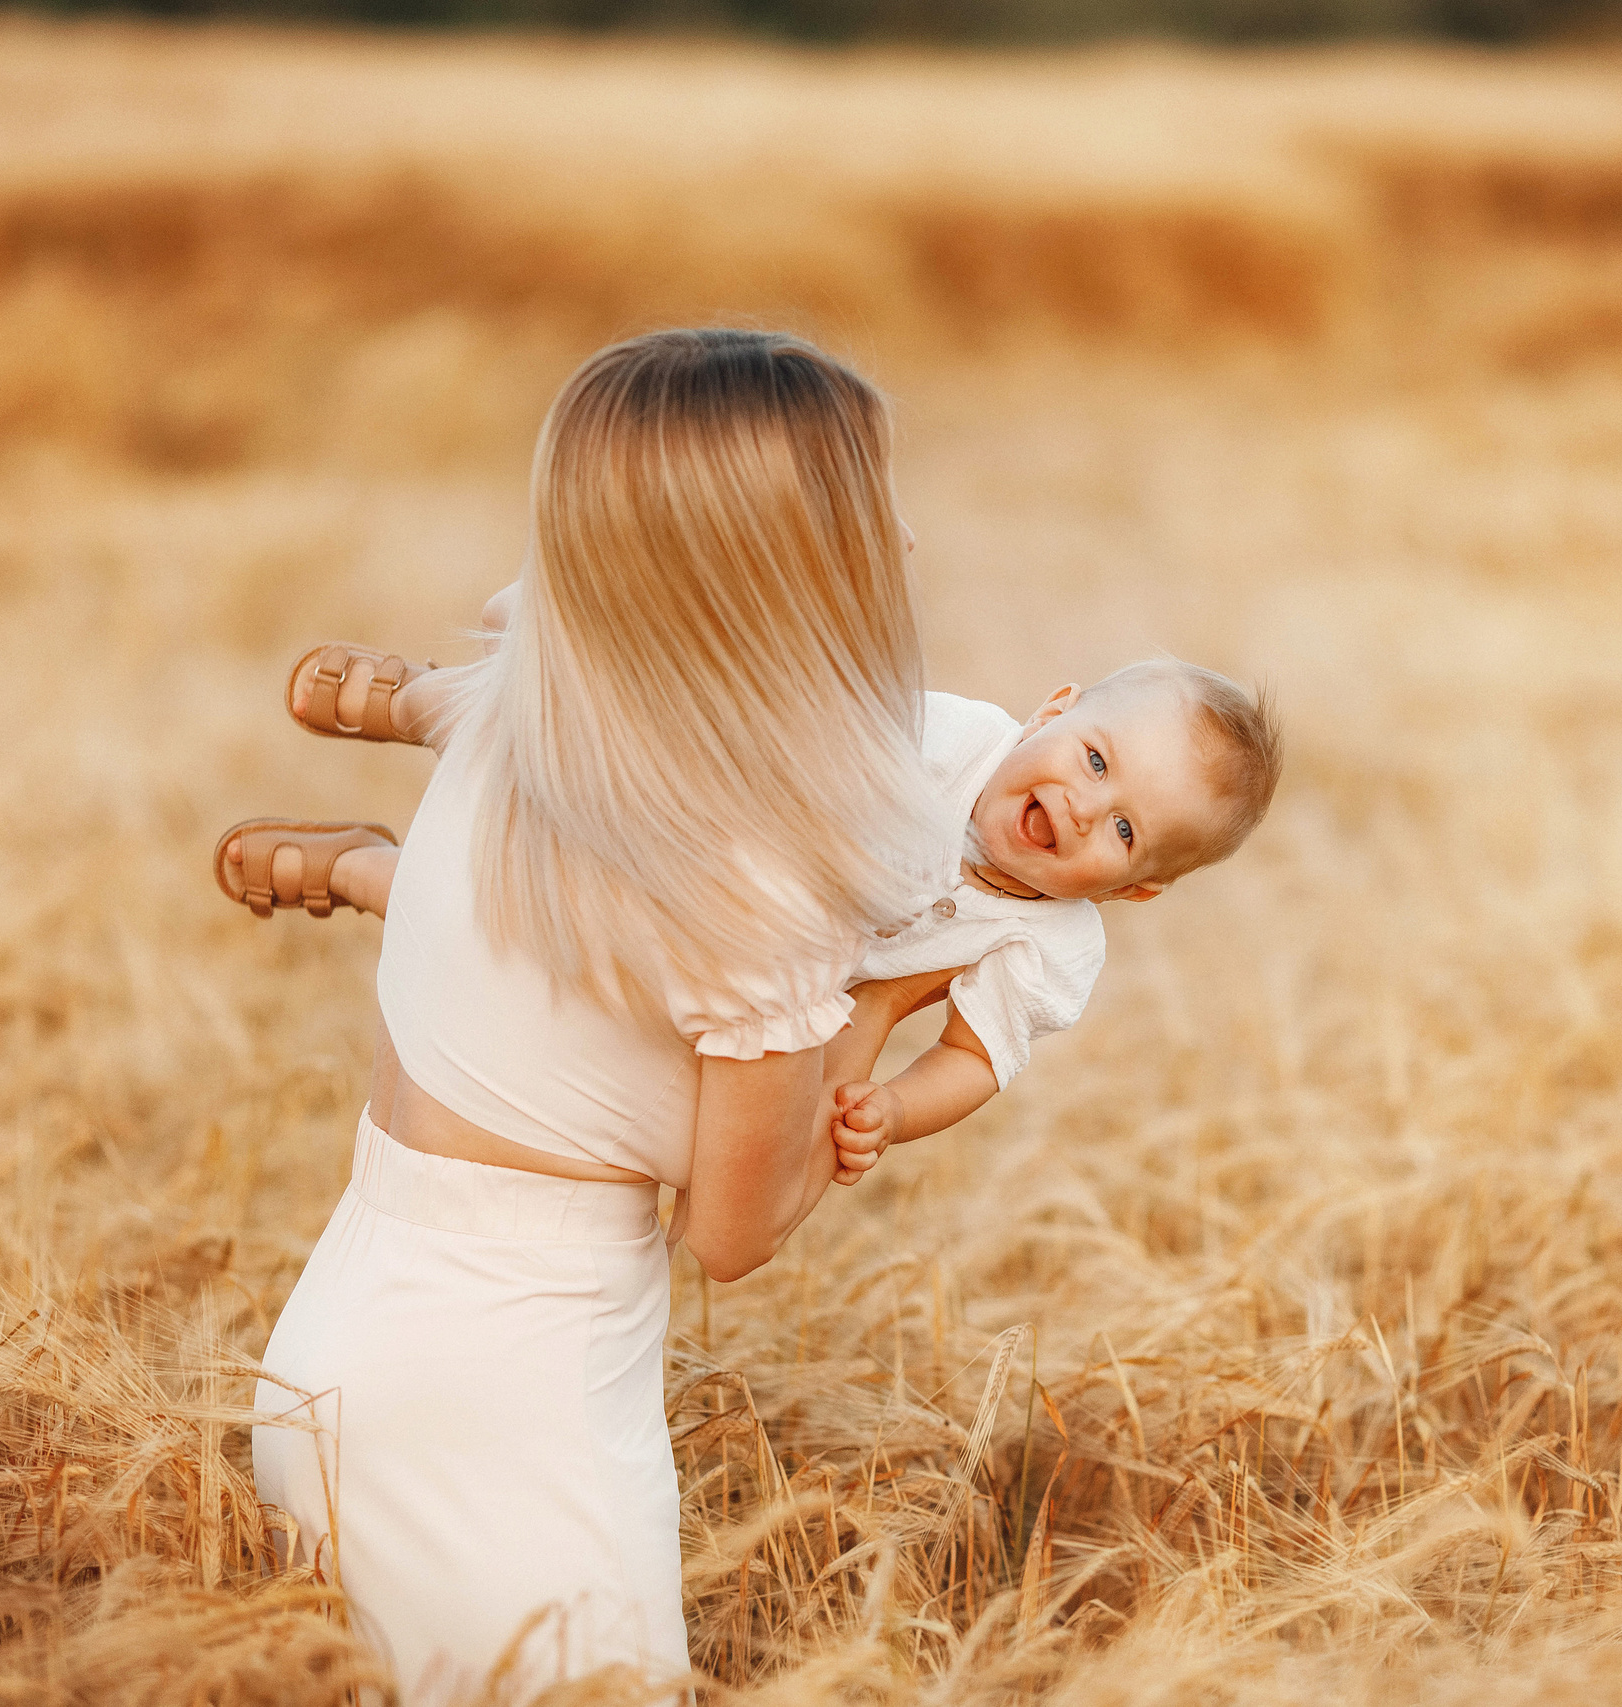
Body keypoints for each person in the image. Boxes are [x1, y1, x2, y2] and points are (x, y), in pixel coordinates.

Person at [230, 328, 952, 1702]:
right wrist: (900, 1003)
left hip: (340, 1342)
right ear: (791, 559)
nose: (906, 541)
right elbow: (734, 1230)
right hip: (513, 1390)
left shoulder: (525, 719)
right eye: (873, 502)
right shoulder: (764, 872)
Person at [229, 653, 1282, 1179]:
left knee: (552, 971)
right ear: (1053, 711)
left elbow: (977, 1054)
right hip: (715, 856)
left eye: (1127, 832)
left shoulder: (1049, 947)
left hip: (738, 982)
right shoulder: (942, 738)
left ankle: (374, 875)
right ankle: (431, 700)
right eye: (1094, 759)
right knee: (596, 746)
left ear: (1133, 891)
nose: (1084, 805)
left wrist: (897, 1110)